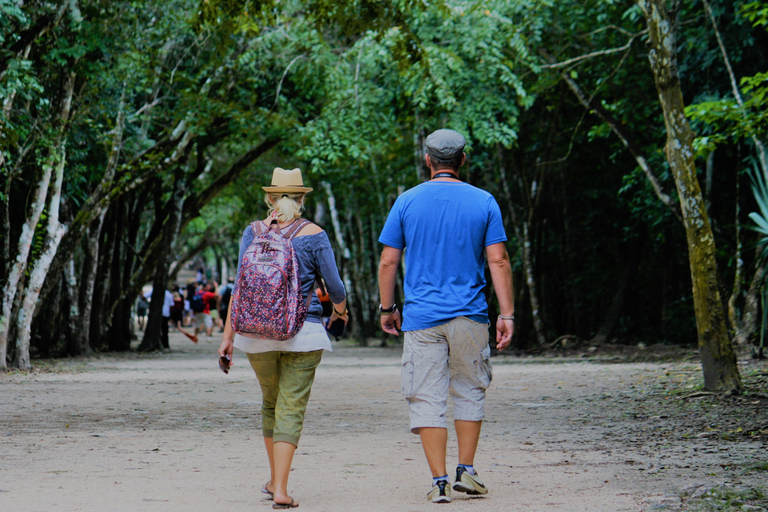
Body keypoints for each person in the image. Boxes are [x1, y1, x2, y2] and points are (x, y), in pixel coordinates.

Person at [377, 129, 515, 504]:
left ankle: (438, 481)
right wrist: (508, 314)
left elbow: (389, 259)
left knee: (426, 395)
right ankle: (466, 472)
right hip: (470, 315)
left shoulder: (406, 201)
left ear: (428, 160)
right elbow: (498, 259)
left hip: (422, 318)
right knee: (470, 387)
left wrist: (387, 309)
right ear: (463, 160)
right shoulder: (484, 201)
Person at [219, 167, 348, 510]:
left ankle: (275, 479)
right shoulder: (314, 234)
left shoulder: (253, 231)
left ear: (270, 198)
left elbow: (239, 286)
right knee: (290, 407)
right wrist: (341, 310)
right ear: (302, 198)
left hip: (255, 334)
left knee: (270, 403)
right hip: (303, 333)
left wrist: (227, 337)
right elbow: (335, 287)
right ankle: (281, 490)